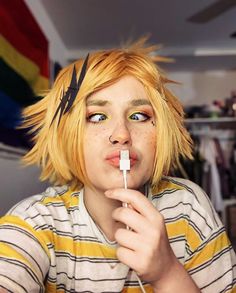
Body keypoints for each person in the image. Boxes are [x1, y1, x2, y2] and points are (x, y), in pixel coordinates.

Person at [0, 37, 235, 293]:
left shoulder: (188, 205)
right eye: (97, 116)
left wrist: (167, 273)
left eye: (139, 116)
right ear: (67, 135)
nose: (122, 133)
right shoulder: (36, 222)